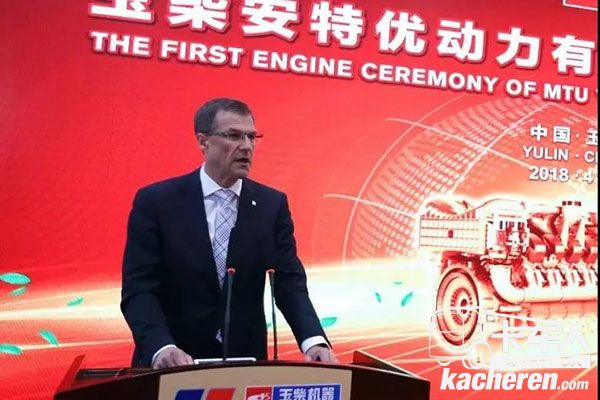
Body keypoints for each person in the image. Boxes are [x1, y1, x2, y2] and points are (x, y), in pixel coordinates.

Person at [121, 98, 336, 369]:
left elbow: (289, 283)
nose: (246, 146)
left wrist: (313, 340)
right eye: (234, 136)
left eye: (251, 137)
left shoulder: (271, 205)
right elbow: (139, 288)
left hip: (244, 366)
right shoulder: (157, 202)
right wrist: (161, 347)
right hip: (172, 364)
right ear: (203, 142)